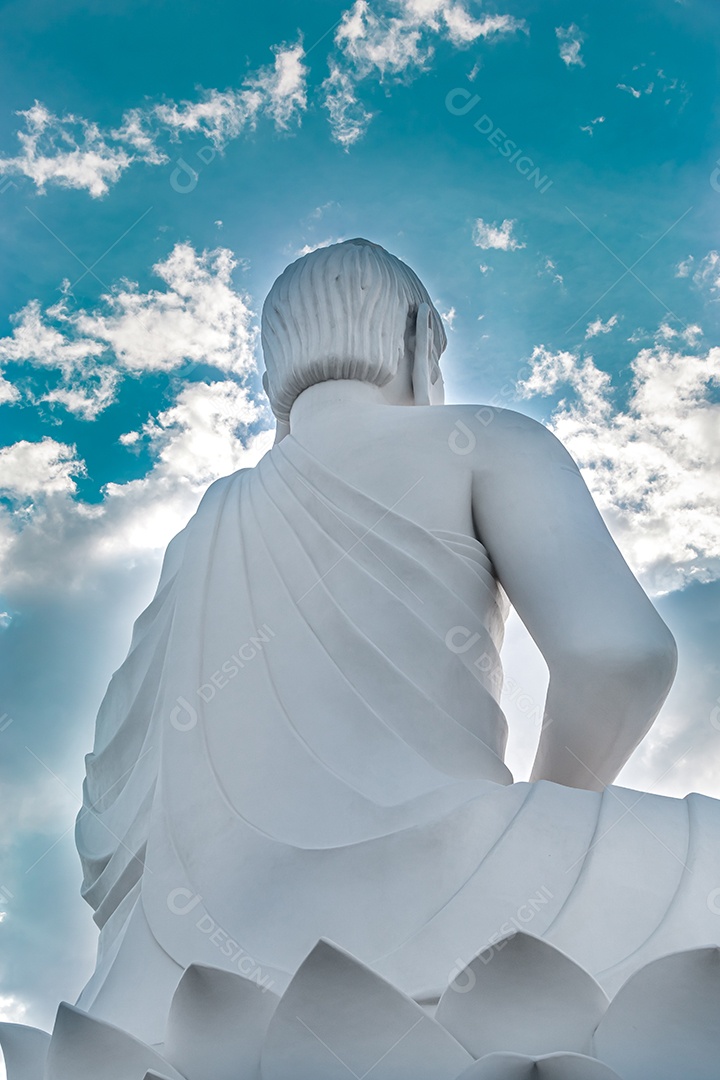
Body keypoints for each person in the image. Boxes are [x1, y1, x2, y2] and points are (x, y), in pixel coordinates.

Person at [75, 239, 716, 1045]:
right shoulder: (481, 439)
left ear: (276, 372)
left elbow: (108, 810)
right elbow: (619, 658)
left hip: (172, 972)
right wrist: (549, 817)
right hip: (452, 885)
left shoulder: (204, 523)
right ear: (416, 344)